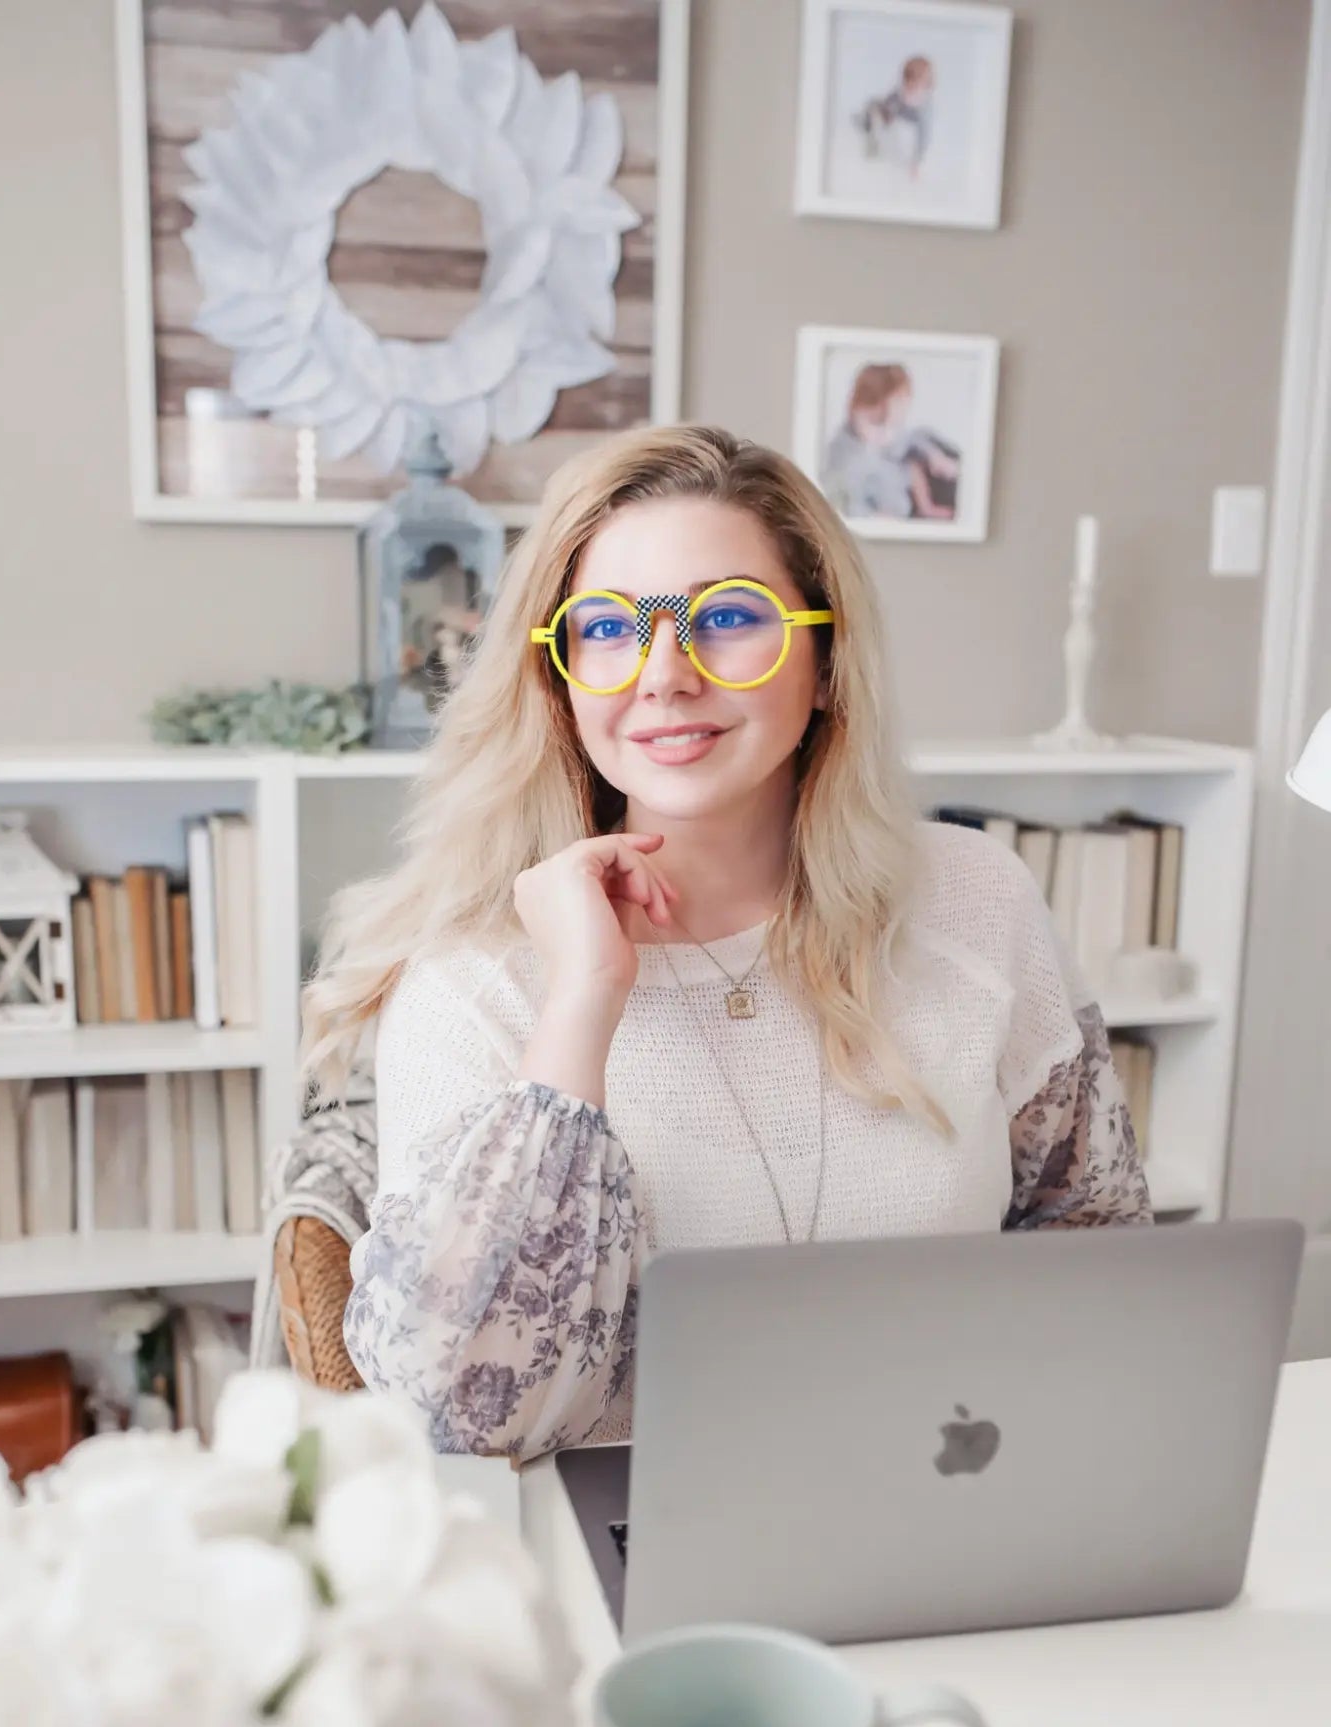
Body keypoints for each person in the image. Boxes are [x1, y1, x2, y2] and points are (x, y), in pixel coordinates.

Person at [301, 424, 1151, 1460]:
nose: (662, 673)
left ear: (827, 661)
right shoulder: (470, 977)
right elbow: (464, 1411)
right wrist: (584, 998)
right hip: (612, 1537)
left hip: (949, 1499)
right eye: (605, 627)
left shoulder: (978, 899)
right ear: (559, 680)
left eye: (729, 616)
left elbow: (1092, 1238)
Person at [822, 363, 960, 522]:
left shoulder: (896, 437)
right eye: (877, 423)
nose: (887, 435)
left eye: (894, 425)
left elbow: (910, 440)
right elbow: (841, 497)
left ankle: (927, 507)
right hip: (872, 508)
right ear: (855, 409)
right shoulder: (844, 451)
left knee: (914, 455)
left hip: (899, 498)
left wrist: (934, 456)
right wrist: (869, 516)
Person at [856, 53, 936, 177]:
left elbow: (923, 137)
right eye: (908, 82)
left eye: (917, 83)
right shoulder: (900, 92)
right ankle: (866, 127)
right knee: (873, 105)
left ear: (926, 84)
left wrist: (916, 162)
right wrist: (887, 113)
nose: (910, 87)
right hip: (894, 109)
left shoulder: (925, 107)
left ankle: (873, 138)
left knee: (912, 131)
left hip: (909, 115)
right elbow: (889, 101)